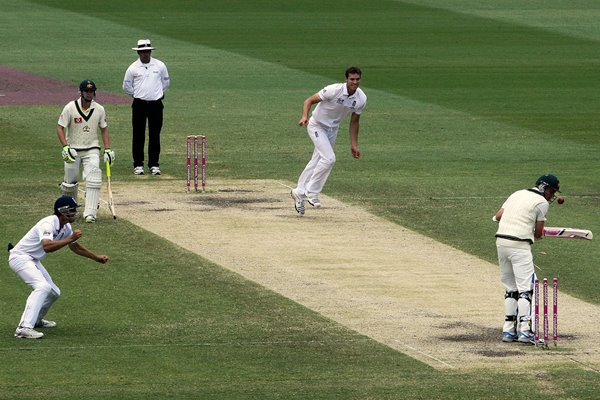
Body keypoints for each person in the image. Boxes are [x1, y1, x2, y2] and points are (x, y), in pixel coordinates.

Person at [7, 196, 109, 339]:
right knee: (43, 287)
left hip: (32, 259)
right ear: (63, 211)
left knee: (54, 292)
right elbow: (47, 247)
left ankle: (35, 320)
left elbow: (75, 247)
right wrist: (70, 239)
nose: (75, 213)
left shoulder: (66, 227)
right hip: (20, 258)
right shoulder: (48, 224)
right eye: (72, 210)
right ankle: (23, 328)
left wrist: (96, 257)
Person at [493, 174, 560, 344]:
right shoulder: (542, 203)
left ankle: (508, 331)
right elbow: (538, 234)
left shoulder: (517, 194)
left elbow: (499, 216)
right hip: (519, 246)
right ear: (544, 188)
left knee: (511, 288)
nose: (552, 195)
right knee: (526, 289)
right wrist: (536, 233)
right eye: (552, 191)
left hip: (501, 242)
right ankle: (525, 331)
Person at [290, 66, 367, 215]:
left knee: (316, 161)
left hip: (332, 131)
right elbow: (309, 101)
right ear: (346, 79)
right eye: (352, 79)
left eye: (357, 79)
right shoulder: (333, 90)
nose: (355, 82)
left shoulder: (361, 98)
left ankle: (299, 193)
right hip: (316, 126)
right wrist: (304, 116)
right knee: (329, 159)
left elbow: (354, 122)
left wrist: (353, 145)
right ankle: (311, 192)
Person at [57, 79, 115, 223]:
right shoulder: (70, 107)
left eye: (91, 91)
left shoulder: (99, 109)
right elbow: (60, 127)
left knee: (94, 178)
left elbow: (104, 129)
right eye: (86, 91)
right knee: (70, 183)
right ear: (81, 92)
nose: (89, 94)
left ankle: (90, 213)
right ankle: (70, 212)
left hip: (92, 149)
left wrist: (107, 149)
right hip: (73, 150)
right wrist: (65, 146)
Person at [122, 39, 170, 176]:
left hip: (156, 104)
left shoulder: (160, 65)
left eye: (147, 51)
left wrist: (158, 93)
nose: (145, 54)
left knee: (155, 135)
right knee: (138, 134)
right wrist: (138, 95)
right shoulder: (133, 68)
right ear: (138, 52)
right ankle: (138, 164)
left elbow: (166, 82)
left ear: (150, 51)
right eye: (142, 52)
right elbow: (126, 86)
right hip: (139, 104)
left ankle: (154, 164)